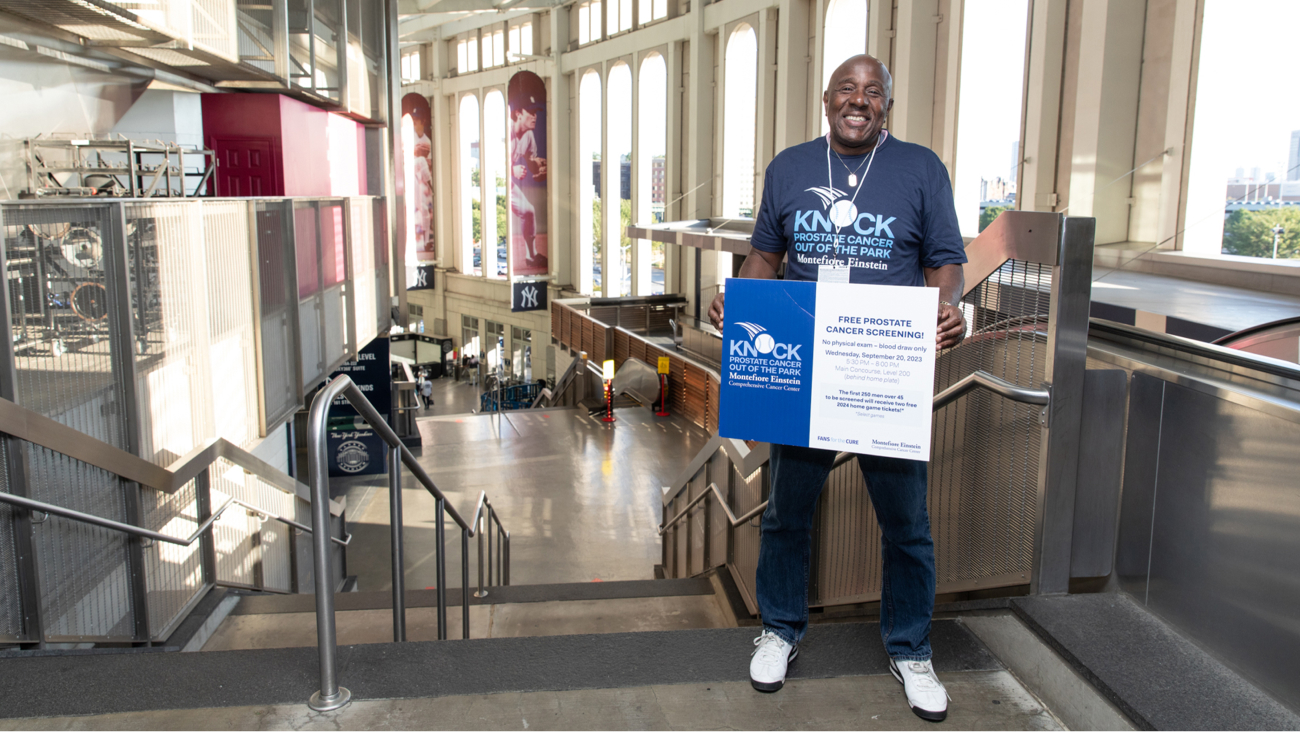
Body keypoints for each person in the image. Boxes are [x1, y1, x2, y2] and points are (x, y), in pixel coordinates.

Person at [707, 54, 968, 722]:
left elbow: (945, 264)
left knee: (906, 523)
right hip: (805, 366)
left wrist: (947, 306)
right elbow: (766, 256)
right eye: (848, 90)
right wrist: (738, 298)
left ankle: (910, 650)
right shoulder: (790, 168)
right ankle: (780, 631)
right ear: (827, 100)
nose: (860, 100)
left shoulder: (920, 169)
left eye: (873, 92)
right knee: (786, 513)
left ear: (886, 106)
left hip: (883, 369)